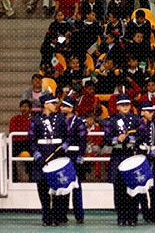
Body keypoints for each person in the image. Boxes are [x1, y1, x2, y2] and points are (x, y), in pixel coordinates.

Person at [28, 92, 70, 227]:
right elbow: (31, 140)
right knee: (43, 188)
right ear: (45, 105)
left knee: (57, 188)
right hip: (42, 154)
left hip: (57, 154)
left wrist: (64, 147)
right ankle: (46, 216)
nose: (55, 105)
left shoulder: (61, 118)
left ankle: (56, 216)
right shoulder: (35, 120)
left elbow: (69, 136)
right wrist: (37, 156)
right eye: (53, 103)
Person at [103, 93, 141, 227]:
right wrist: (116, 139)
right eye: (122, 105)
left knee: (133, 187)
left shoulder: (136, 119)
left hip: (131, 154)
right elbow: (106, 138)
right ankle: (121, 217)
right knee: (119, 189)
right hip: (118, 155)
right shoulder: (111, 120)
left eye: (127, 104)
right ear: (117, 106)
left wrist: (131, 139)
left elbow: (142, 135)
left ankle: (133, 217)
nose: (125, 107)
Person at [136, 100, 155, 223]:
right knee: (141, 185)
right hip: (141, 156)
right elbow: (135, 139)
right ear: (142, 112)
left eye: (152, 111)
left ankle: (154, 212)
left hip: (153, 156)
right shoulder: (137, 124)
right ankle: (145, 212)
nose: (151, 114)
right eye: (149, 111)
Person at [60, 94, 87, 225]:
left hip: (75, 155)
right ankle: (61, 215)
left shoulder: (79, 122)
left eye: (65, 106)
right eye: (62, 106)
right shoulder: (59, 120)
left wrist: (80, 156)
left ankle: (79, 215)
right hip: (62, 156)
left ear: (71, 108)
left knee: (76, 187)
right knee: (62, 185)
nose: (62, 108)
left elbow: (83, 141)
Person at [9, 99, 33, 182]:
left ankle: (32, 178)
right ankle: (13, 178)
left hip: (29, 142)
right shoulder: (14, 119)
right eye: (22, 107)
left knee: (33, 152)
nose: (24, 108)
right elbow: (12, 131)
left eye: (26, 107)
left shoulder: (33, 119)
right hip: (16, 142)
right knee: (9, 152)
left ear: (30, 109)